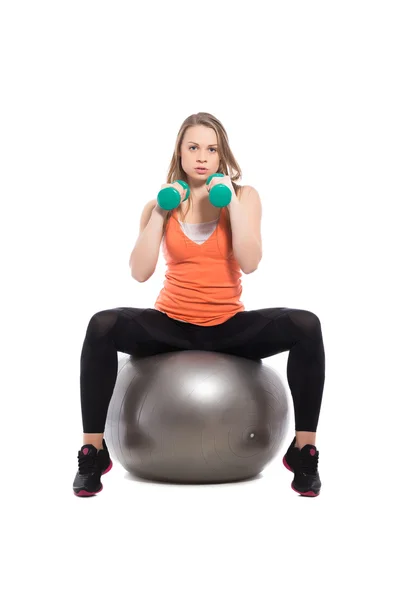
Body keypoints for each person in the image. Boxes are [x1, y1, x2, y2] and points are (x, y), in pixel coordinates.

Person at [73, 112, 326, 498]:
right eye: (193, 147)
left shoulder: (244, 197)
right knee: (101, 324)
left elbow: (250, 262)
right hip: (171, 324)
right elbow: (140, 272)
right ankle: (94, 451)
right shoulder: (161, 204)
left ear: (222, 156)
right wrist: (160, 211)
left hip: (228, 326)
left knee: (307, 325)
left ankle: (303, 451)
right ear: (180, 151)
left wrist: (231, 204)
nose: (202, 156)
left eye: (212, 149)